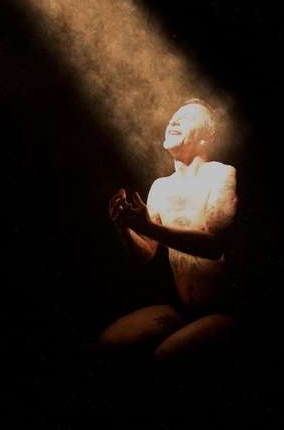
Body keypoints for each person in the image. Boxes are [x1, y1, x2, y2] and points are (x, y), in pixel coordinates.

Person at [99, 99, 239, 362]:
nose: (173, 120)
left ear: (206, 138)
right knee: (108, 343)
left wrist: (148, 227)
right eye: (173, 116)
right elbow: (147, 255)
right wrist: (125, 228)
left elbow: (213, 246)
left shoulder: (220, 175)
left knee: (165, 357)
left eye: (187, 117)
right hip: (182, 309)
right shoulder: (160, 187)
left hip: (224, 309)